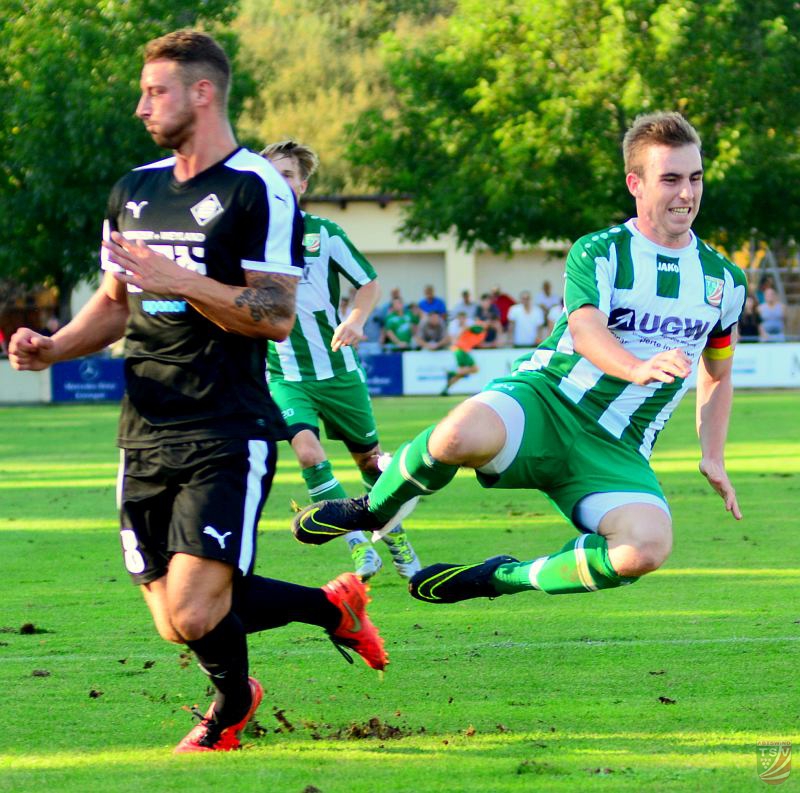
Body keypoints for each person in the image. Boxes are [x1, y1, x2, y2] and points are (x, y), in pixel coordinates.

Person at [8, 30, 386, 754]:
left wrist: (179, 279)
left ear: (202, 92)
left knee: (192, 605)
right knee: (174, 616)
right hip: (143, 423)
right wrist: (53, 346)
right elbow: (116, 302)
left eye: (155, 91)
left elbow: (275, 315)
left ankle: (231, 708)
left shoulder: (258, 189)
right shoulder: (134, 189)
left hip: (226, 425)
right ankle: (331, 606)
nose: (141, 106)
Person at [290, 111, 746, 616]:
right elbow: (587, 330)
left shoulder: (723, 279)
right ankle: (374, 508)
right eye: (672, 179)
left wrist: (713, 454)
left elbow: (717, 373)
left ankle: (501, 576)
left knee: (644, 550)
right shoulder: (600, 252)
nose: (687, 193)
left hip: (618, 447)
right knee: (454, 438)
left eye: (695, 178)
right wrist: (634, 368)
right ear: (635, 183)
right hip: (545, 401)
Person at [260, 139, 420, 581]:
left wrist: (354, 319)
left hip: (338, 371)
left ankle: (396, 538)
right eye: (270, 174)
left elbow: (367, 283)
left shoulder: (323, 233)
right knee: (309, 455)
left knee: (371, 465)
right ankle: (356, 545)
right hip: (285, 374)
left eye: (288, 174)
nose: (280, 182)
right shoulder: (246, 239)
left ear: (303, 184)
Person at [440, 315, 486, 396]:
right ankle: (452, 372)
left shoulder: (481, 330)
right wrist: (457, 338)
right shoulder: (479, 327)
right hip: (462, 349)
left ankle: (446, 389)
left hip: (459, 349)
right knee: (475, 369)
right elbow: (466, 327)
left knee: (462, 373)